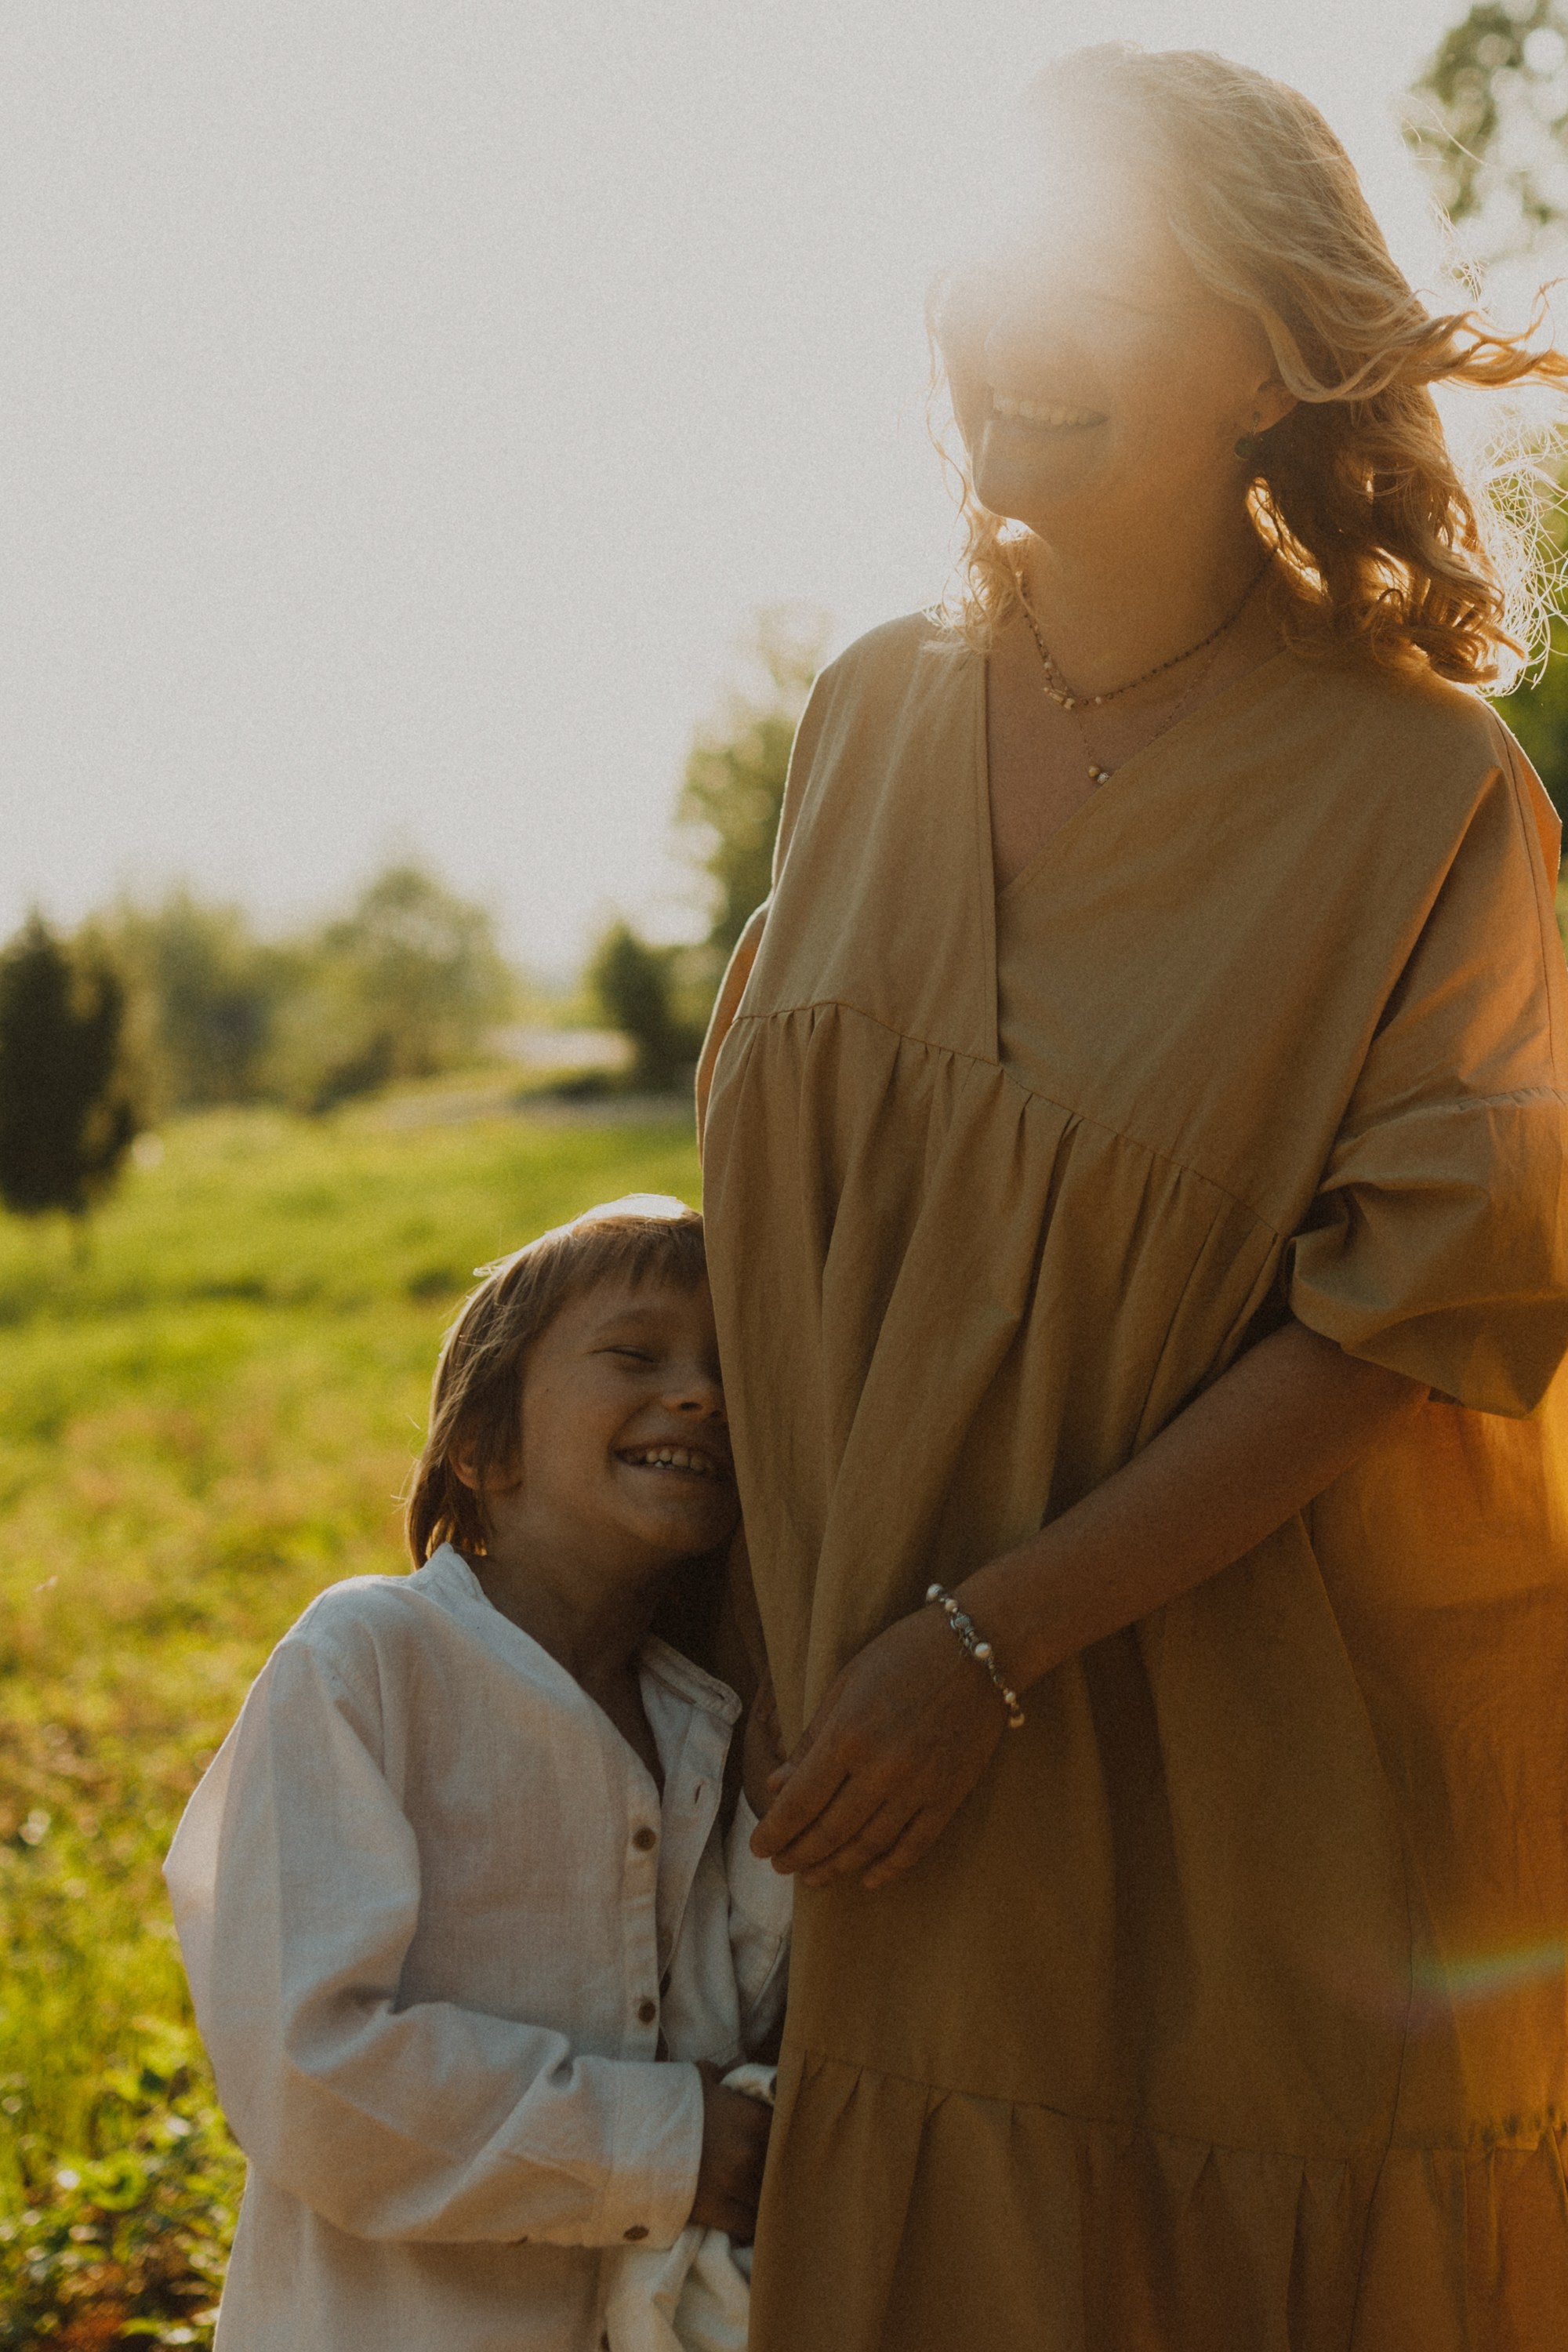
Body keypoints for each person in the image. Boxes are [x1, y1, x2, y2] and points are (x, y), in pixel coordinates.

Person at [697, 43, 1568, 2352]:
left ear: (1273, 359)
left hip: (1236, 1817)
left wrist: (985, 1650)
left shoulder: (1423, 794)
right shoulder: (865, 714)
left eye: (1097, 278)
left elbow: (1410, 1325)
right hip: (860, 1792)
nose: (1014, 326)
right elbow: (790, 1230)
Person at [163, 1198, 790, 2352]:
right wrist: (667, 2147)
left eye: (727, 1365)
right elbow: (311, 2071)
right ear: (485, 1443)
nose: (702, 1393)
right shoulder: (368, 1663)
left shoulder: (703, 1717)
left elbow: (732, 2021)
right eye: (636, 1354)